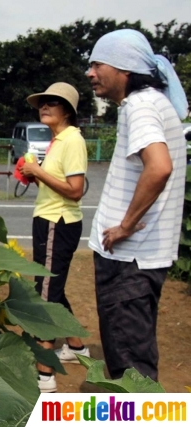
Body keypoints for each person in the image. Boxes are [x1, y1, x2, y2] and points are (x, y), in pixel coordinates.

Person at [86, 29, 188, 381]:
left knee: (132, 372)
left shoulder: (140, 106)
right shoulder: (153, 102)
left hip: (129, 260)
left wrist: (126, 225)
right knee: (134, 355)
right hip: (140, 260)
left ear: (124, 68)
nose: (90, 73)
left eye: (98, 64)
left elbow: (159, 167)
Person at [19, 82, 89, 393]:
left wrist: (38, 172)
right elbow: (53, 188)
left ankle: (45, 374)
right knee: (53, 287)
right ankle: (76, 346)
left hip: (57, 224)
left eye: (52, 102)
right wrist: (32, 174)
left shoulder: (72, 141)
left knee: (45, 294)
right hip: (50, 219)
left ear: (68, 111)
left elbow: (74, 191)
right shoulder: (58, 141)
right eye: (41, 103)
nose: (44, 107)